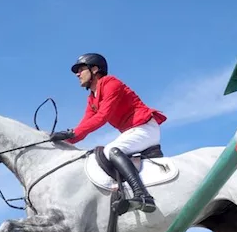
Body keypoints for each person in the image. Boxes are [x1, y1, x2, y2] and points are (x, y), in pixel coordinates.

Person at [53, 53, 167, 213]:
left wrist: (72, 134)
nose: (78, 74)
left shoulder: (110, 83)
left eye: (81, 69)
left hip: (145, 127)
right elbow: (84, 125)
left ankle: (143, 196)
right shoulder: (92, 98)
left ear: (94, 69)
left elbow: (102, 117)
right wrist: (62, 142)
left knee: (110, 150)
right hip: (132, 131)